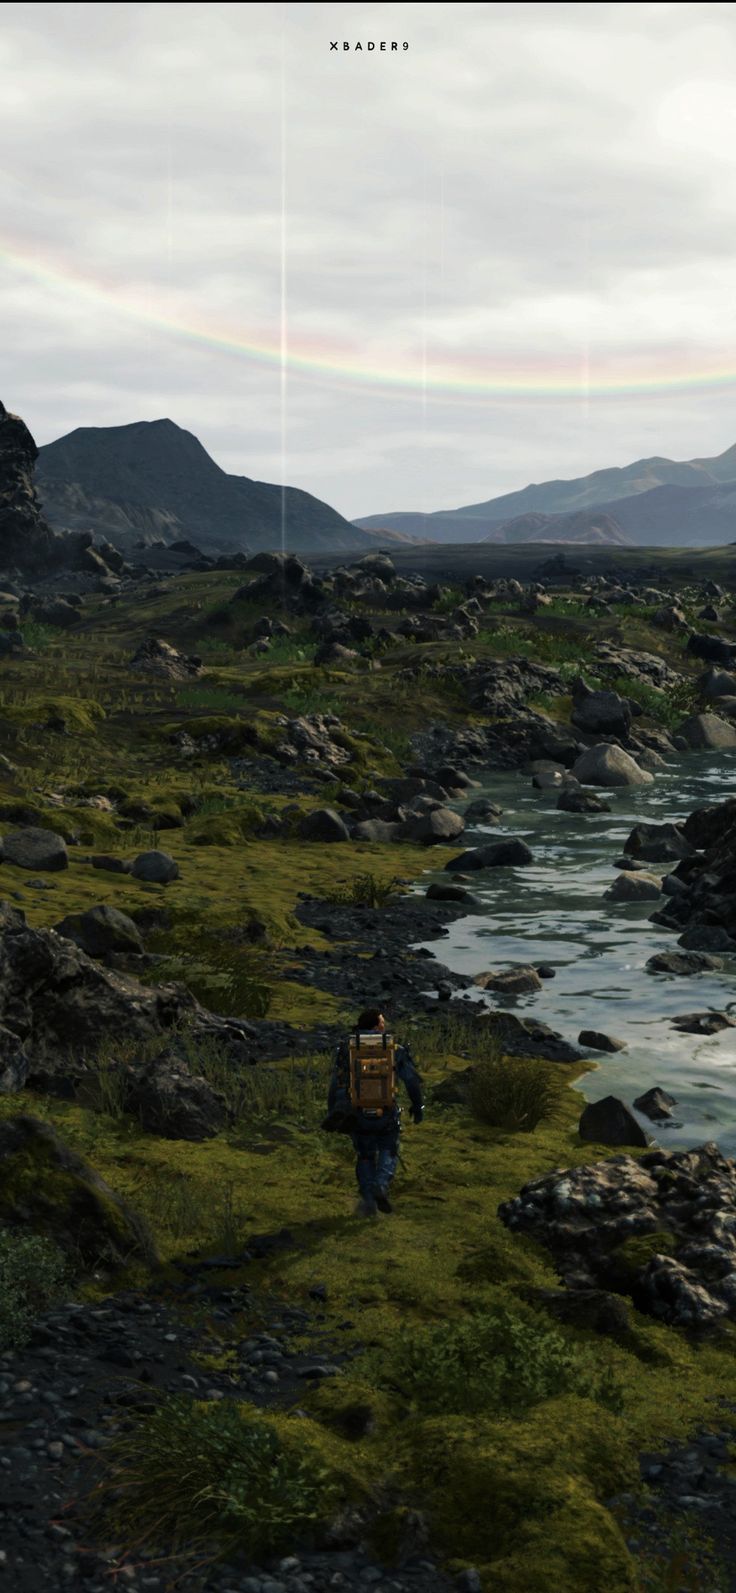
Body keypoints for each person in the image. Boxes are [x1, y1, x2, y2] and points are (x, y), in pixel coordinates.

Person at [326, 1007, 424, 1217]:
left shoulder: (347, 1048)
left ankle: (368, 1202)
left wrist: (332, 1109)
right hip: (385, 1112)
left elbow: (336, 1082)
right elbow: (412, 1081)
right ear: (376, 1026)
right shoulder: (394, 1048)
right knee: (389, 1150)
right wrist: (418, 1107)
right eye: (382, 1022)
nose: (384, 1024)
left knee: (365, 1156)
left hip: (357, 1112)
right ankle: (381, 1184)